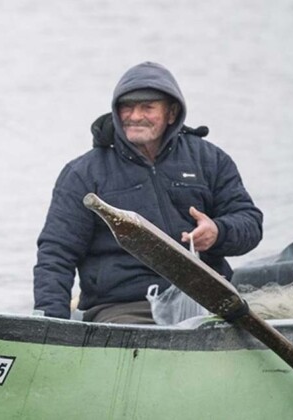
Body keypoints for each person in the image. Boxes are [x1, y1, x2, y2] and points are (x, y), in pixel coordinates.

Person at [33, 62, 263, 323]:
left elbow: (251, 223)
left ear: (172, 113)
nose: (134, 115)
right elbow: (56, 254)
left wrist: (218, 233)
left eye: (147, 107)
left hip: (209, 301)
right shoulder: (83, 173)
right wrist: (51, 323)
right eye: (127, 107)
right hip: (123, 307)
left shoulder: (209, 159)